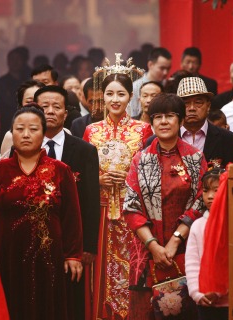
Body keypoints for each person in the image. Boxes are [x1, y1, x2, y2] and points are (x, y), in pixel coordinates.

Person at [0, 106, 83, 319]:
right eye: (20, 129)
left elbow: (71, 217)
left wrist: (74, 255)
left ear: (43, 132)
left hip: (48, 256)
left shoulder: (60, 170)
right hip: (7, 254)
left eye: (33, 129)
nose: (26, 134)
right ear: (12, 133)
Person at [123, 93, 206, 319]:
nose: (163, 122)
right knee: (145, 311)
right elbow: (131, 206)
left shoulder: (195, 158)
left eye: (170, 116)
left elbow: (201, 201)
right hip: (146, 250)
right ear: (151, 123)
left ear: (180, 121)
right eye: (157, 117)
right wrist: (153, 245)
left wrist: (174, 241)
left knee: (187, 309)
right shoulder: (140, 159)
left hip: (186, 247)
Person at [83, 70, 153, 319]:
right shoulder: (91, 131)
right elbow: (82, 173)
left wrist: (128, 177)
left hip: (130, 210)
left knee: (130, 267)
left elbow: (148, 170)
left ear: (130, 97)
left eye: (121, 94)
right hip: (100, 210)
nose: (115, 99)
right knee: (100, 269)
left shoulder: (143, 130)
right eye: (110, 93)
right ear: (102, 96)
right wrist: (98, 179)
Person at [34, 85, 101, 320]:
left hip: (73, 242)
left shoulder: (85, 151)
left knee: (71, 303)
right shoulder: (24, 149)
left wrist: (89, 247)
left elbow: (92, 201)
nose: (50, 111)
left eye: (56, 107)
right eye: (44, 107)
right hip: (35, 241)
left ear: (66, 113)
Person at [185, 168, 228, 320]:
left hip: (232, 301)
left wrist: (221, 291)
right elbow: (192, 263)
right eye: (206, 191)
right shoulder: (198, 226)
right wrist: (197, 293)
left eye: (216, 190)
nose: (210, 196)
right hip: (204, 299)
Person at [177, 77, 233, 168]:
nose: (192, 108)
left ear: (208, 106)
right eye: (186, 103)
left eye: (198, 102)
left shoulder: (231, 141)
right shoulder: (163, 140)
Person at [0, 80, 45, 160]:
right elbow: (3, 169)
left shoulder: (63, 133)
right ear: (20, 106)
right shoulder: (11, 136)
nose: (34, 105)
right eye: (29, 101)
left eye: (39, 102)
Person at [129, 47, 172, 117]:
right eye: (162, 68)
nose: (165, 73)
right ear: (150, 65)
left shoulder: (168, 85)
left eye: (168, 69)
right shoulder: (135, 87)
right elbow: (132, 114)